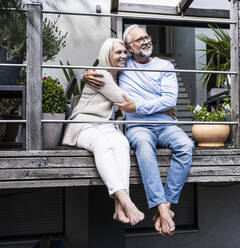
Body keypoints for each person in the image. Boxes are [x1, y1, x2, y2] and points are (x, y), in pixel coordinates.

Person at [84, 25, 194, 235]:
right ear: (129, 47)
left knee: (186, 145)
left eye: (146, 37)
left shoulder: (165, 66)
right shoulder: (124, 65)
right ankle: (161, 208)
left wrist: (139, 107)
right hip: (138, 127)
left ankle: (165, 206)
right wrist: (85, 73)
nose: (145, 41)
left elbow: (169, 99)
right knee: (144, 146)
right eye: (139, 40)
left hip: (165, 125)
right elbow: (104, 69)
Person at [62, 38, 145, 226]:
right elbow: (126, 100)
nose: (123, 55)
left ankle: (118, 209)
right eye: (118, 52)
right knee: (102, 145)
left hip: (105, 126)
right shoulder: (102, 74)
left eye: (125, 52)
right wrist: (163, 108)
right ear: (107, 55)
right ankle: (127, 203)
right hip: (84, 124)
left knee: (122, 144)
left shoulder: (120, 76)